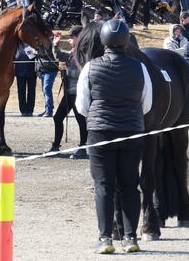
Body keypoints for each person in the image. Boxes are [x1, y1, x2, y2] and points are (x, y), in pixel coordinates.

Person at [76, 19, 151, 254]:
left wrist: (99, 118)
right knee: (130, 184)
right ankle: (130, 238)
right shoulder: (140, 67)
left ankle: (105, 238)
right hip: (131, 131)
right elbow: (146, 104)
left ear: (103, 41)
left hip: (100, 134)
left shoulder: (90, 67)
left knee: (103, 185)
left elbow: (82, 106)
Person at [48, 26, 87, 159]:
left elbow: (84, 71)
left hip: (78, 93)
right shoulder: (72, 52)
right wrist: (55, 45)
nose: (70, 39)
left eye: (72, 37)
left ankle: (83, 148)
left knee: (81, 120)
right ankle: (55, 146)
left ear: (79, 37)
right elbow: (59, 56)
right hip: (69, 92)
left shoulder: (84, 53)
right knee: (57, 117)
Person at [35, 36, 59, 118]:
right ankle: (48, 108)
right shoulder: (36, 39)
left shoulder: (51, 39)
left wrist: (37, 50)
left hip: (50, 69)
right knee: (45, 90)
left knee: (46, 89)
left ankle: (49, 111)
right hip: (42, 68)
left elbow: (48, 52)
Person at [14, 43, 36, 116]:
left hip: (32, 71)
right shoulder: (16, 45)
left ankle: (30, 110)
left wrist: (30, 49)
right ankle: (23, 110)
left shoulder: (32, 44)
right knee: (21, 92)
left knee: (31, 91)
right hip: (20, 72)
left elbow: (32, 56)